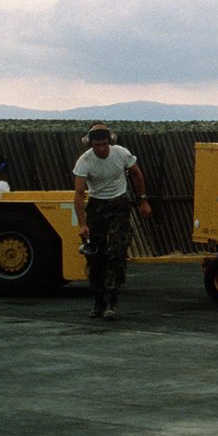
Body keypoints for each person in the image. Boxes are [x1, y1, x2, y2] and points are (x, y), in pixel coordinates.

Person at [73, 124, 151, 320]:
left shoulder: (121, 153)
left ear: (110, 142)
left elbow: (137, 174)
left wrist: (143, 200)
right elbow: (79, 194)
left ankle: (112, 301)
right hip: (97, 207)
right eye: (97, 144)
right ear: (91, 144)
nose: (101, 148)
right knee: (96, 255)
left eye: (104, 144)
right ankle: (98, 301)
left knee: (117, 252)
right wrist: (82, 224)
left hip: (119, 205)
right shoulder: (84, 162)